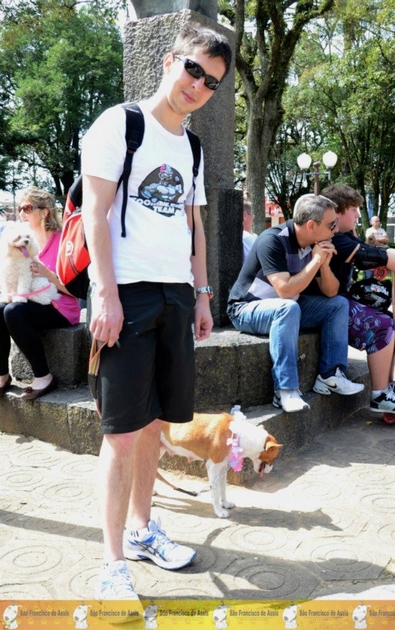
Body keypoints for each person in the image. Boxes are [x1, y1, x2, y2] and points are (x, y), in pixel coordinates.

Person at [80, 24, 232, 600]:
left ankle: (143, 530)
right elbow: (95, 212)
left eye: (211, 83)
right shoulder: (121, 124)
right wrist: (106, 293)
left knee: (154, 425)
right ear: (170, 61)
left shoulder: (192, 147)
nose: (198, 86)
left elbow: (194, 224)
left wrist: (202, 294)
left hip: (175, 297)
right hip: (127, 294)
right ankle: (112, 560)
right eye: (194, 70)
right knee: (120, 433)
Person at [226, 194, 364, 414]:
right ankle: (285, 390)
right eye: (331, 225)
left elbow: (331, 292)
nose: (336, 230)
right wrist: (316, 260)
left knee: (338, 304)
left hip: (286, 308)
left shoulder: (314, 244)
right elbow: (286, 291)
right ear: (311, 225)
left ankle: (330, 375)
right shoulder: (272, 240)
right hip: (246, 309)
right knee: (288, 307)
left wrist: (324, 265)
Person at [321, 184, 395, 414]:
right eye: (353, 209)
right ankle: (379, 394)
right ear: (337, 212)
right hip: (329, 306)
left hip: (339, 300)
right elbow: (373, 254)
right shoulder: (334, 239)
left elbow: (369, 249)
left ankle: (388, 388)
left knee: (389, 320)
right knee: (381, 324)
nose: (358, 215)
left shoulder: (345, 236)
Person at [0, 187, 81, 400]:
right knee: (1, 308)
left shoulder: (65, 242)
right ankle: (2, 375)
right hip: (32, 300)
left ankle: (43, 376)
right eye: (20, 208)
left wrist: (48, 274)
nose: (21, 213)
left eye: (27, 208)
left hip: (61, 306)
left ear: (44, 212)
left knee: (13, 311)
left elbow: (77, 291)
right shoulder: (21, 240)